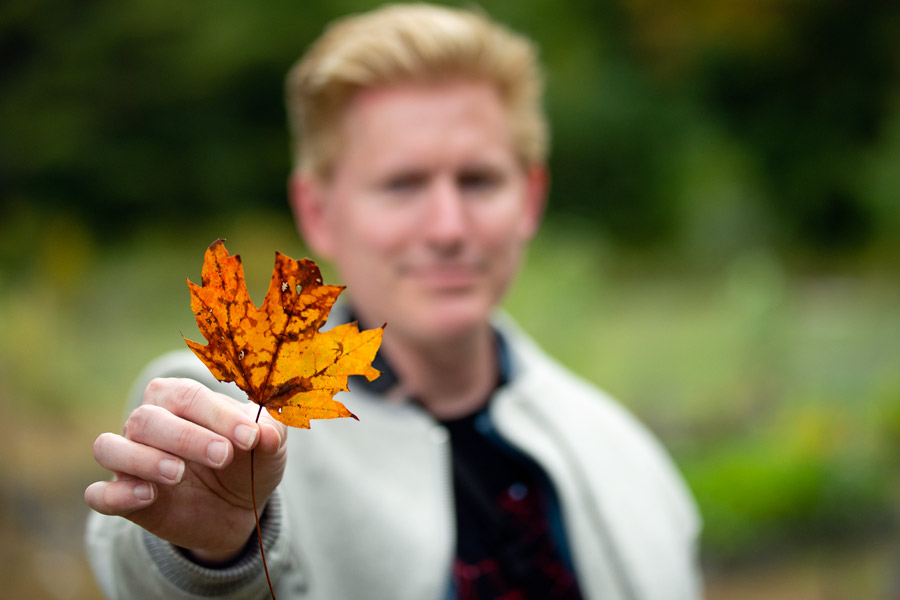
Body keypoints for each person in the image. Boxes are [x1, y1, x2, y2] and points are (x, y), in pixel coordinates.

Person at [84, 4, 702, 599]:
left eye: (478, 180)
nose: (447, 227)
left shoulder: (622, 454)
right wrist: (209, 555)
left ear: (531, 199)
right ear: (318, 212)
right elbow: (140, 572)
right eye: (402, 184)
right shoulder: (233, 421)